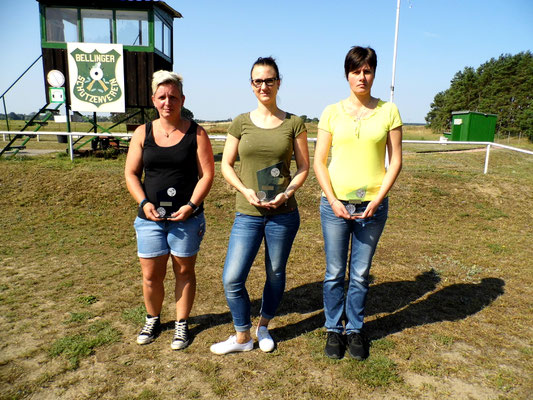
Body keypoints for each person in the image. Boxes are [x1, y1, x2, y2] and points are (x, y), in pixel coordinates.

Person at [210, 57, 310, 355]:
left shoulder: (294, 123)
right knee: (232, 277)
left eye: (269, 80)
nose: (264, 86)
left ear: (279, 82)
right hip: (248, 213)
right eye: (258, 81)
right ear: (251, 85)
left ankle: (263, 326)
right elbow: (226, 165)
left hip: (283, 214)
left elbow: (304, 167)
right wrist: (244, 189)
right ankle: (242, 336)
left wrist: (287, 192)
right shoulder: (240, 122)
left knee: (275, 273)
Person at [313, 46, 403, 360]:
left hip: (372, 208)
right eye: (355, 71)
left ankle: (354, 329)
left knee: (361, 273)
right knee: (335, 272)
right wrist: (334, 200)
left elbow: (395, 162)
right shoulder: (331, 112)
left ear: (374, 73)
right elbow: (319, 163)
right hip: (334, 206)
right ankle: (333, 330)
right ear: (347, 75)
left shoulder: (389, 111)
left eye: (366, 71)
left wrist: (378, 200)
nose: (361, 77)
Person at [124, 70, 214, 350]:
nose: (167, 102)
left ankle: (181, 325)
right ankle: (153, 319)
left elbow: (207, 175)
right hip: (150, 219)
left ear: (182, 99)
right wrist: (144, 203)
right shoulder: (142, 132)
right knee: (151, 275)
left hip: (185, 219)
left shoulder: (197, 133)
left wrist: (190, 206)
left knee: (184, 272)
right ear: (153, 100)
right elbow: (130, 173)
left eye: (173, 97)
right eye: (162, 97)